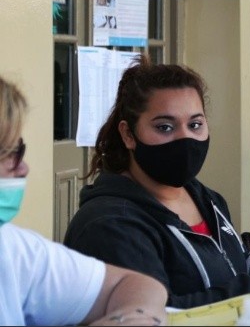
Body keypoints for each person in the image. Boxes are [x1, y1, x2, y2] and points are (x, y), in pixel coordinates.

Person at [64, 55, 250, 309]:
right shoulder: (109, 226)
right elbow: (157, 314)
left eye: (195, 125)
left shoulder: (205, 198)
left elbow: (231, 267)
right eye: (164, 127)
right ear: (128, 135)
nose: (184, 139)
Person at [0, 75, 168, 326]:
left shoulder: (13, 248)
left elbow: (137, 285)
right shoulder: (109, 219)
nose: (23, 168)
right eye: (11, 153)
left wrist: (131, 318)